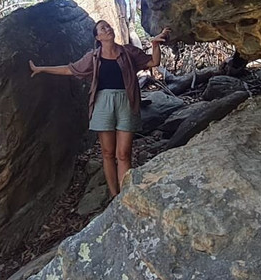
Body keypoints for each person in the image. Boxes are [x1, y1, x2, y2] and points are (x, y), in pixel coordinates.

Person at [29, 20, 171, 197]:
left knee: (124, 153)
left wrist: (155, 44)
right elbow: (70, 69)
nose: (108, 28)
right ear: (98, 37)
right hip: (102, 103)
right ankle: (114, 196)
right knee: (107, 153)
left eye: (108, 26)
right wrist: (42, 69)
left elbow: (153, 62)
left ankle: (126, 196)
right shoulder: (93, 57)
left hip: (126, 101)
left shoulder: (127, 51)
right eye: (103, 28)